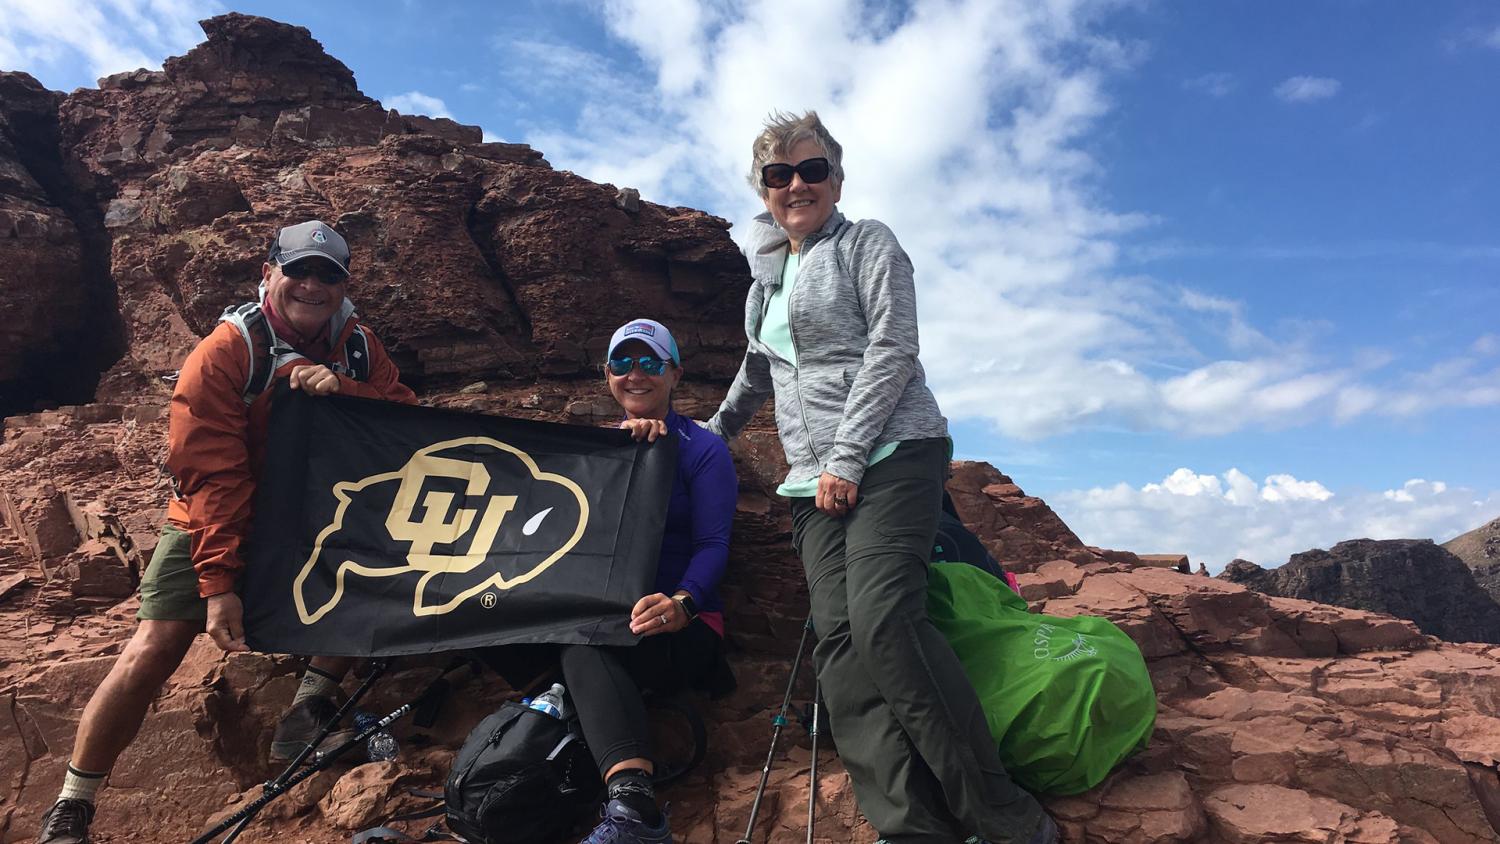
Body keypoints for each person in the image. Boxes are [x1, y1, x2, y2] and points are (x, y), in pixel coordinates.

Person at [704, 112, 1059, 844]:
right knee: (838, 639)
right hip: (811, 479)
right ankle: (913, 827)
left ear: (836, 178)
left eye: (811, 170)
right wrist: (709, 436)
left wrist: (847, 455)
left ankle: (1001, 817)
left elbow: (893, 348)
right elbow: (756, 370)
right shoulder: (764, 278)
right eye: (779, 175)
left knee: (885, 620)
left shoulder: (868, 243)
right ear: (763, 189)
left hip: (895, 451)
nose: (796, 185)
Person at [37, 221, 418, 844]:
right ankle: (73, 803)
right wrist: (219, 583)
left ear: (344, 286)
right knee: (156, 645)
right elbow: (211, 474)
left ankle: (308, 707)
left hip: (311, 515)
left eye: (330, 275)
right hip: (214, 516)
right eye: (299, 269)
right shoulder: (225, 352)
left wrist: (345, 390)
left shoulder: (358, 345)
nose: (313, 285)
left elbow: (403, 424)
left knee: (380, 577)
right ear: (267, 272)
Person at [566, 318, 737, 844]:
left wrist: (684, 603)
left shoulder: (703, 449)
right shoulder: (596, 451)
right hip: (605, 614)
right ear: (606, 375)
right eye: (622, 362)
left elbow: (713, 545)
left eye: (649, 363)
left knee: (583, 649)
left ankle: (634, 810)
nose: (634, 374)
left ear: (674, 374)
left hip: (680, 624)